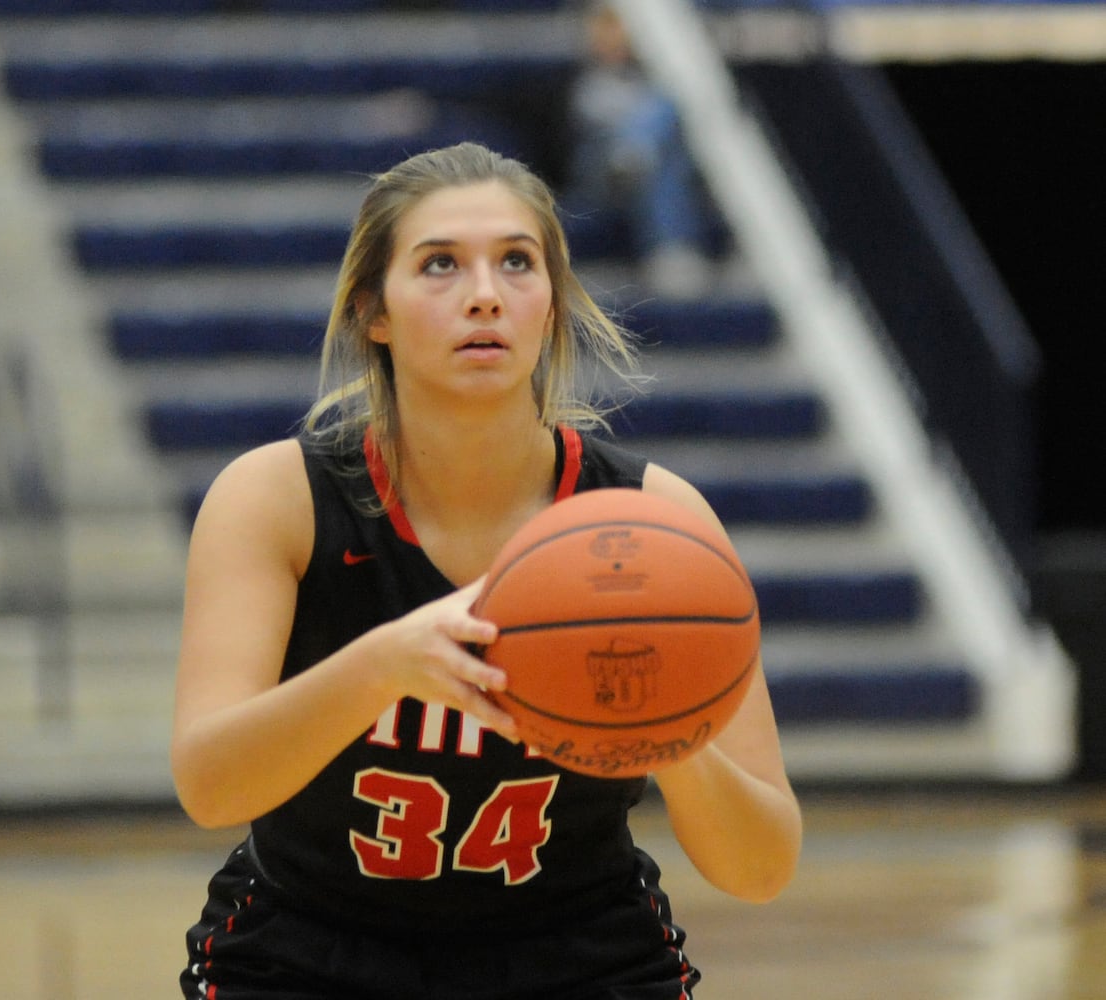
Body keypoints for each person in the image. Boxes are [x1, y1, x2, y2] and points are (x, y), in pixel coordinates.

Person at [171, 141, 800, 999]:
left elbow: (761, 866)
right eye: (439, 265)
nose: (484, 294)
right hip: (313, 948)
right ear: (372, 313)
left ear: (551, 304)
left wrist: (665, 737)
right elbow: (208, 786)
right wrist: (384, 664)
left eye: (516, 262)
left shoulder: (656, 524)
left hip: (578, 952)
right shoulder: (276, 498)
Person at [564, 0, 730, 300]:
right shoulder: (587, 85)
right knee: (658, 131)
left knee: (665, 158)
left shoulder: (663, 83)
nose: (613, 37)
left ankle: (635, 154)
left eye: (620, 28)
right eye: (605, 28)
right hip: (601, 179)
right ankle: (635, 155)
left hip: (649, 175)